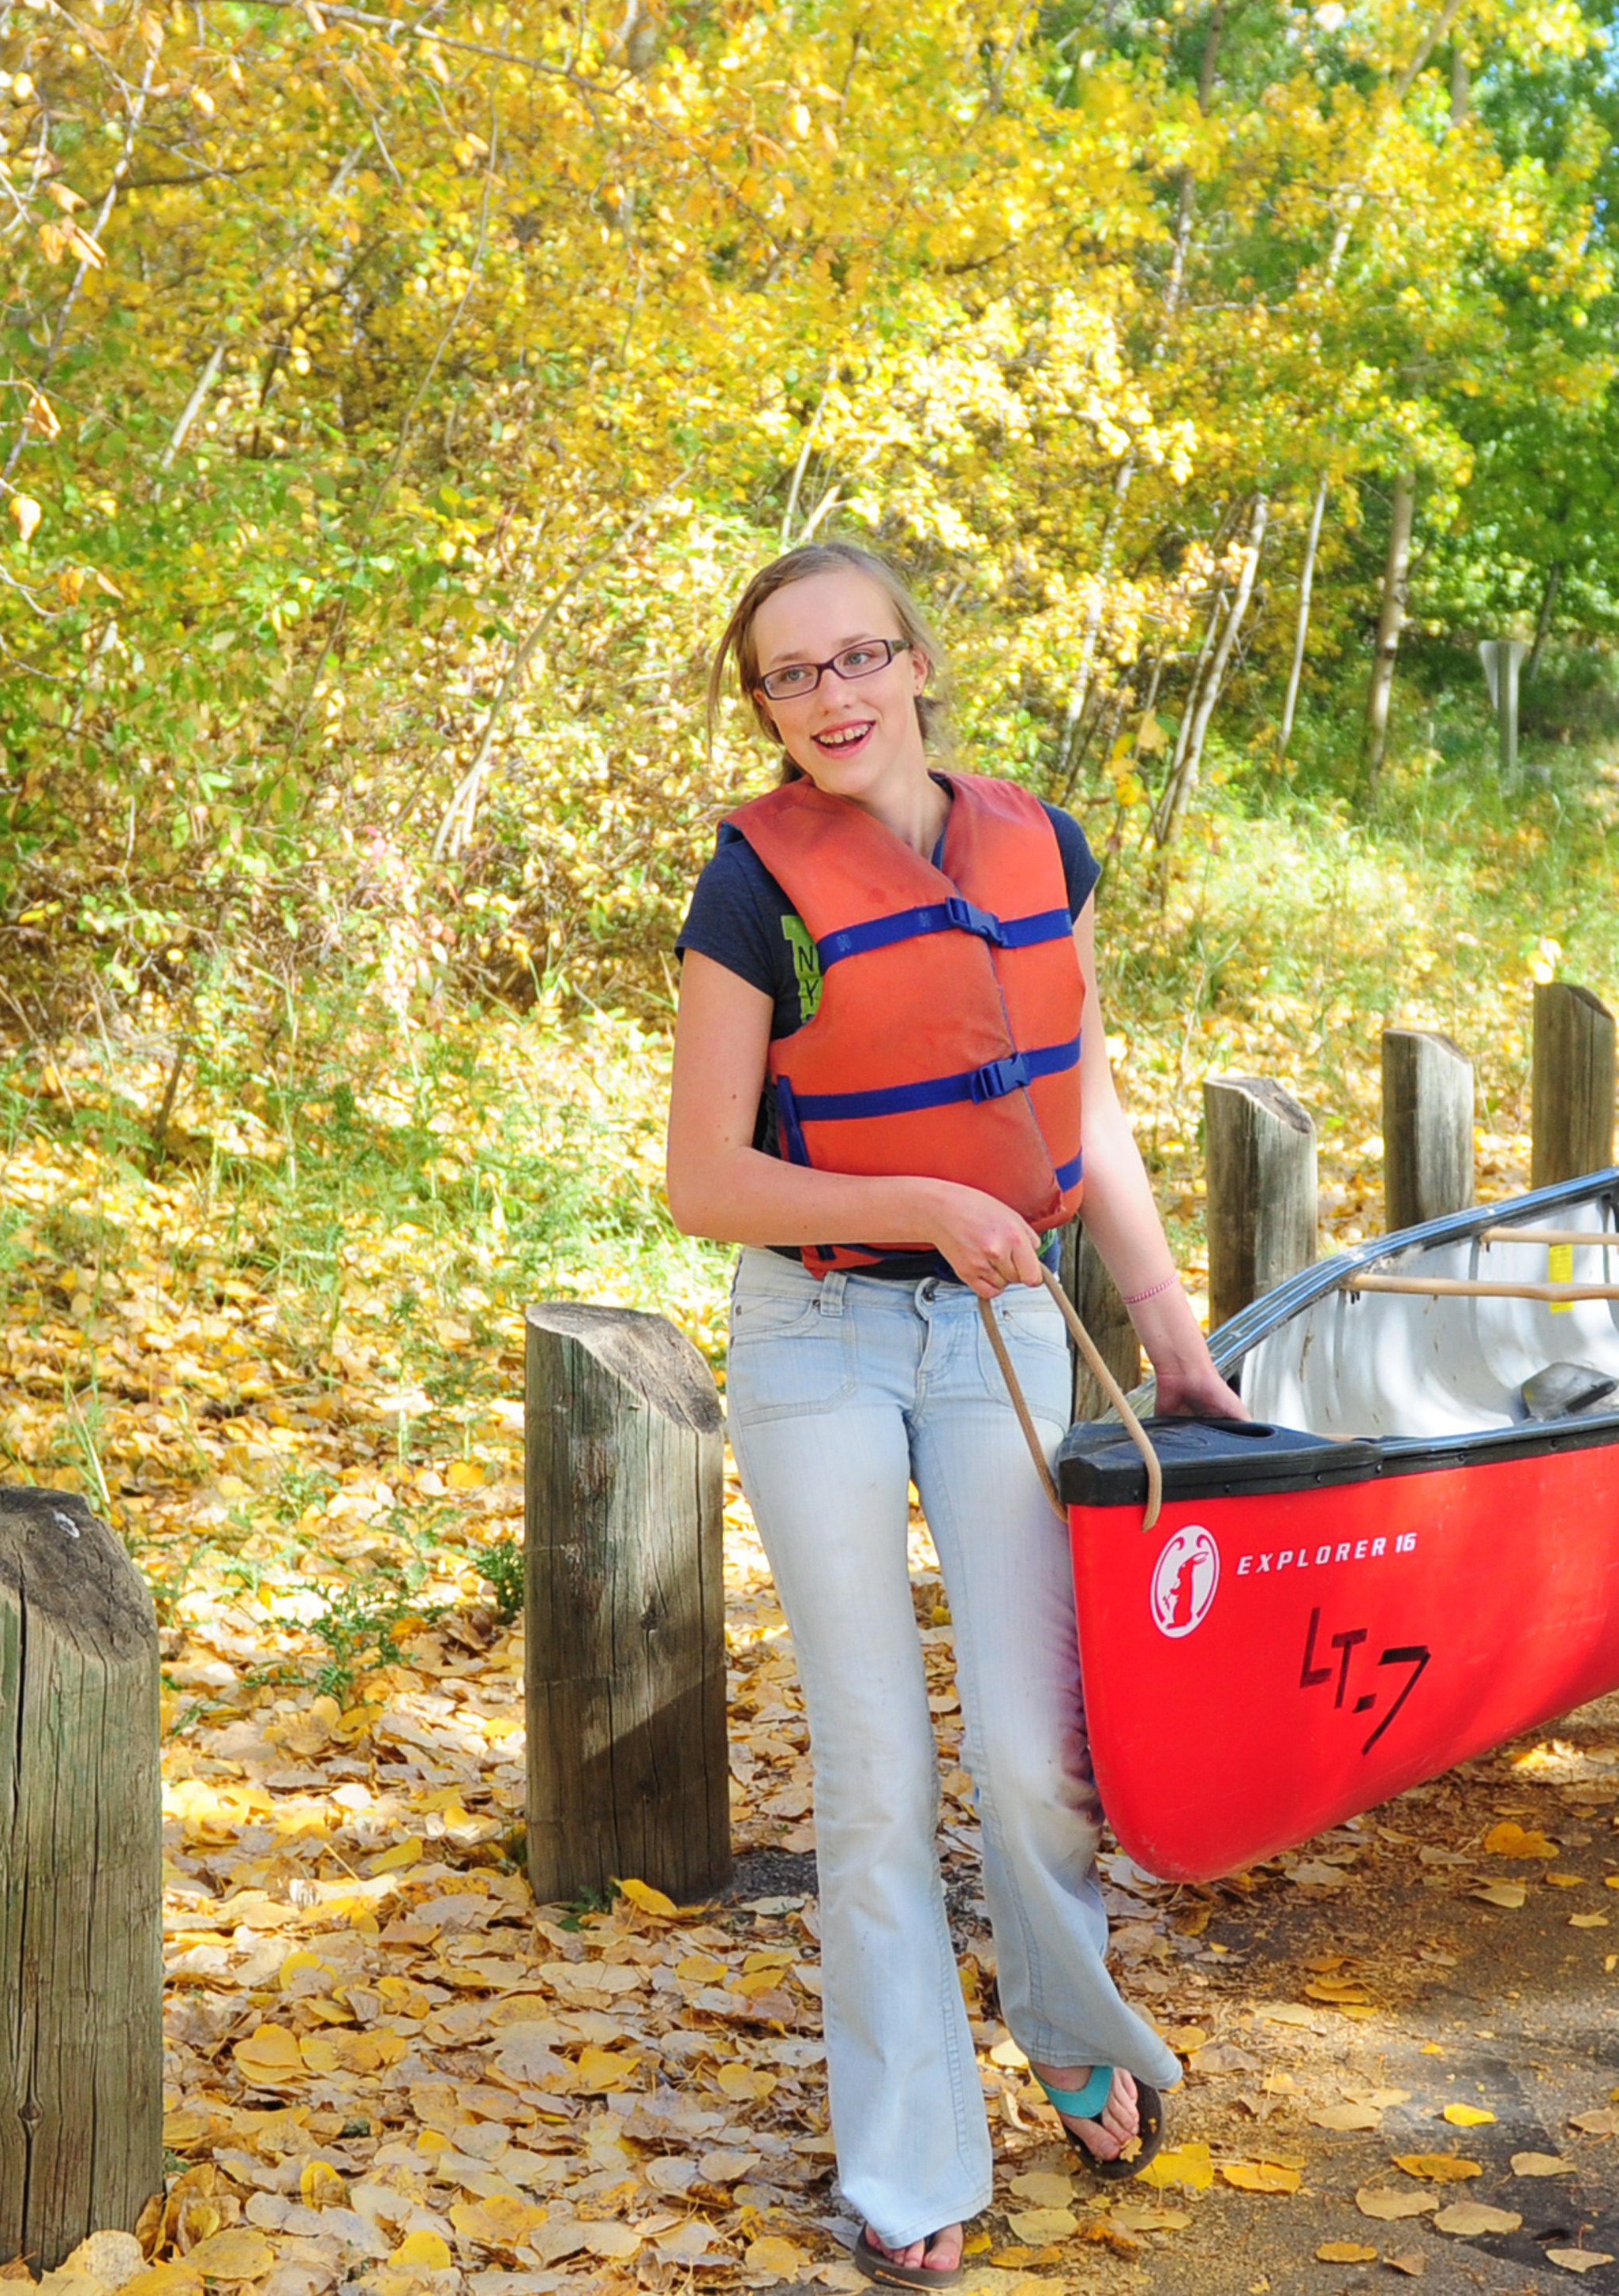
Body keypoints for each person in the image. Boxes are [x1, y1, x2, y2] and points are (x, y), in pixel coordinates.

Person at [662, 541, 1243, 2290]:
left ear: (917, 662)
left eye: (858, 659)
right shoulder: (749, 890)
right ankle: (912, 2154)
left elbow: (1085, 1099)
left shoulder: (1039, 843)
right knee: (876, 1775)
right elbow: (702, 1178)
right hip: (823, 1336)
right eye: (790, 675)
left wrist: (1165, 1324)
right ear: (760, 704)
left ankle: (1069, 2026)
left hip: (1010, 1333)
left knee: (1029, 1745)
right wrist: (918, 1204)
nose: (832, 698)